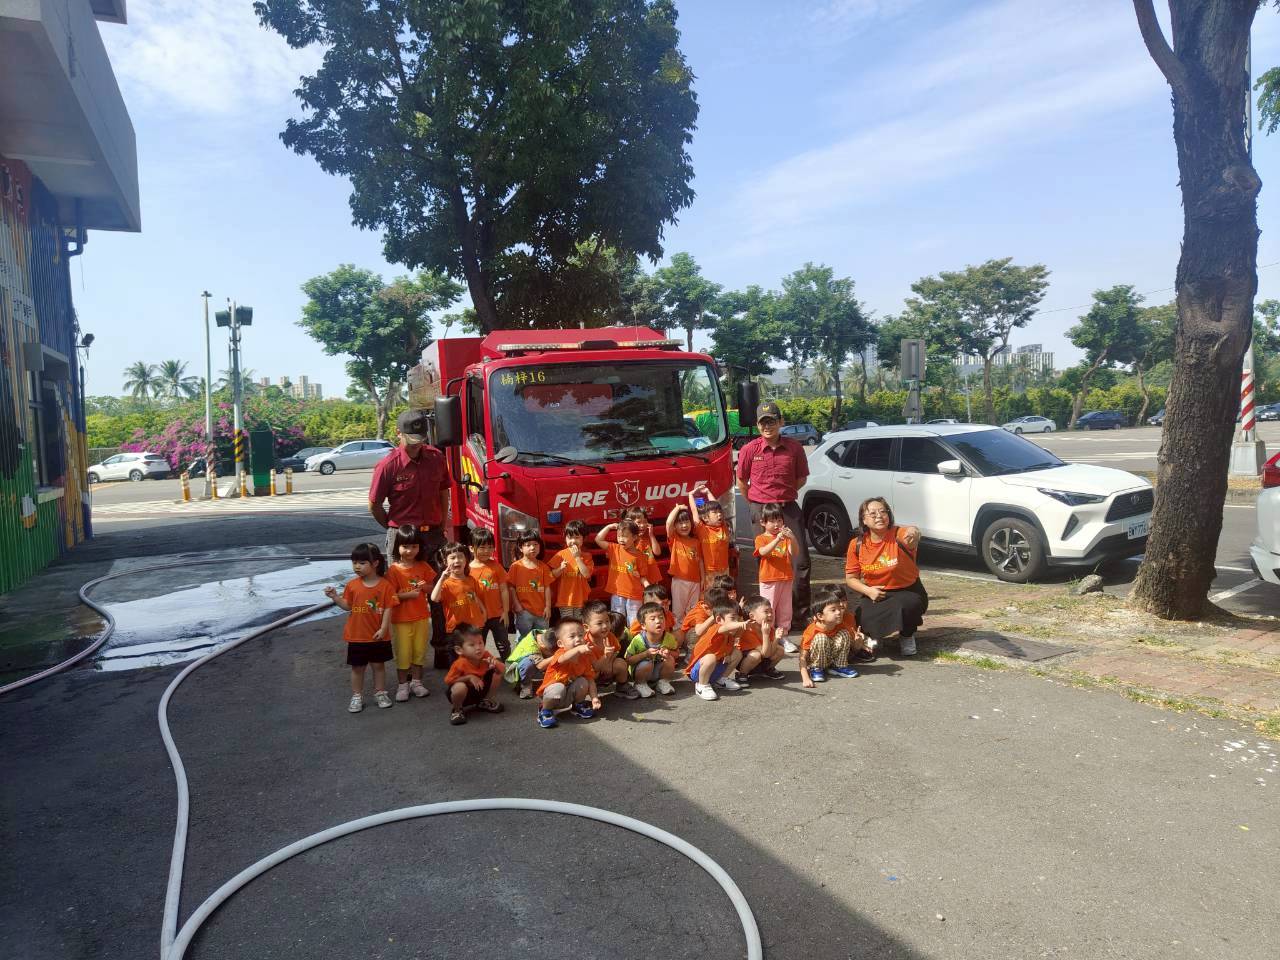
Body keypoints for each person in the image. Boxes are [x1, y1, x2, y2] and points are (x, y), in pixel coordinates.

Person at [369, 409, 451, 664]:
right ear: (398, 434)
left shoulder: (436, 457)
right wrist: (394, 531)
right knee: (401, 596)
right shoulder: (388, 465)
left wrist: (442, 522)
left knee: (439, 592)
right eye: (411, 440)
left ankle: (442, 648)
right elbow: (374, 504)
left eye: (421, 439)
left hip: (433, 535)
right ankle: (404, 656)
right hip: (402, 538)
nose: (417, 445)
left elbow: (443, 492)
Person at [735, 401, 812, 635]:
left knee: (800, 562)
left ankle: (798, 616)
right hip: (762, 509)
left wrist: (783, 498)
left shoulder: (794, 448)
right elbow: (741, 482)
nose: (767, 426)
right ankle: (768, 616)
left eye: (772, 421)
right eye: (763, 422)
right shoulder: (750, 450)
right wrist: (756, 507)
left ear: (781, 422)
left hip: (788, 508)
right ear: (758, 426)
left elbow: (801, 478)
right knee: (766, 562)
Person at [843, 497, 927, 656]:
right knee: (861, 616)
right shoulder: (857, 544)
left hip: (908, 590)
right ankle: (875, 636)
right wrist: (868, 591)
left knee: (907, 606)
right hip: (876, 593)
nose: (879, 516)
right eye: (873, 513)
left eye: (883, 512)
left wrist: (914, 532)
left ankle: (907, 636)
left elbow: (911, 533)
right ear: (864, 520)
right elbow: (851, 578)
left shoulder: (898, 535)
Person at [324, 543, 399, 713]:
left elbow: (389, 607)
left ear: (375, 564)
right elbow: (347, 606)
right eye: (354, 562)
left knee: (378, 666)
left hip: (378, 636)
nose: (357, 566)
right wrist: (335, 597)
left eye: (362, 562)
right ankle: (357, 695)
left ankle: (380, 692)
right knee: (357, 668)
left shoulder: (385, 586)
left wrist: (384, 628)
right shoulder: (352, 585)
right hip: (357, 636)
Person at [384, 524, 436, 701]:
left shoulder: (423, 566)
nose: (410, 550)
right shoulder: (394, 570)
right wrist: (408, 595)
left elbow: (432, 589)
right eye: (405, 546)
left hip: (421, 617)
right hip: (401, 620)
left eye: (414, 546)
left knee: (419, 652)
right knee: (403, 653)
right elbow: (389, 597)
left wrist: (425, 587)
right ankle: (402, 685)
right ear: (397, 546)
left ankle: (417, 682)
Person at [535, 617, 599, 729]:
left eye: (580, 635)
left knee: (583, 681)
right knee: (558, 687)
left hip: (569, 693)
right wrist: (578, 650)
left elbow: (590, 679)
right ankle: (545, 710)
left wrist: (594, 698)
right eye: (572, 636)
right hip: (553, 695)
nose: (578, 639)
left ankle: (578, 705)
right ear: (560, 643)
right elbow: (564, 658)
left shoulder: (584, 657)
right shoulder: (560, 654)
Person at [799, 588, 864, 687]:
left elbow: (855, 648)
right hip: (816, 660)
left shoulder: (840, 624)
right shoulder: (812, 630)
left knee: (844, 633)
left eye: (839, 608)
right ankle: (817, 668)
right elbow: (802, 657)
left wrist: (858, 641)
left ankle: (838, 666)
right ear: (820, 616)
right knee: (821, 638)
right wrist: (805, 678)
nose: (839, 612)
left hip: (831, 658)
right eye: (833, 610)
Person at [685, 598, 747, 702]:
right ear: (718, 620)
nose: (736, 622)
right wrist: (742, 624)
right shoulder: (716, 628)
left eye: (738, 619)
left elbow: (727, 649)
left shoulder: (730, 635)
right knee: (710, 657)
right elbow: (726, 627)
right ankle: (702, 685)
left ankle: (721, 680)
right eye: (732, 618)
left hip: (715, 669)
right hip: (698, 672)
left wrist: (726, 655)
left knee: (737, 653)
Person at [442, 625, 504, 726]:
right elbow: (448, 681)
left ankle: (485, 701)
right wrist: (469, 677)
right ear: (459, 650)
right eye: (472, 645)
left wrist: (496, 664)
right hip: (463, 695)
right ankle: (457, 710)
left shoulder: (485, 655)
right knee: (459, 686)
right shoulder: (460, 663)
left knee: (497, 673)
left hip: (480, 689)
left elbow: (503, 670)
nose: (478, 647)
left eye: (480, 643)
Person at [752, 502, 798, 640]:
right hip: (769, 579)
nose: (777, 524)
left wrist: (793, 538)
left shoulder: (785, 538)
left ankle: (783, 634)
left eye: (779, 520)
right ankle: (768, 635)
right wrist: (777, 539)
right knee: (768, 608)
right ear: (763, 523)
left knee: (785, 609)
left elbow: (794, 553)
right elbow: (763, 552)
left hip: (786, 577)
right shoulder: (761, 538)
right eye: (772, 521)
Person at [582, 599, 639, 699]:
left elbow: (616, 650)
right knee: (590, 675)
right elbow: (593, 667)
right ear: (586, 627)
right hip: (591, 673)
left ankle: (622, 686)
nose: (605, 626)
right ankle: (587, 695)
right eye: (599, 623)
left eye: (607, 621)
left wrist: (609, 661)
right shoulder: (584, 642)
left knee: (621, 663)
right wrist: (605, 658)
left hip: (606, 669)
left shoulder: (610, 636)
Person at [664, 503, 704, 647]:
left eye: (686, 521)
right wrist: (677, 508)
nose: (684, 525)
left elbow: (700, 563)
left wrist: (703, 580)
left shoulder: (695, 542)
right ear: (675, 527)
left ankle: (690, 642)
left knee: (692, 612)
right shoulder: (674, 539)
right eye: (680, 523)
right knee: (678, 613)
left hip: (695, 582)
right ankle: (677, 640)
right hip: (679, 581)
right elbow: (668, 523)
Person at [595, 519, 649, 624]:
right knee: (617, 621)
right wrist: (609, 527)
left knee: (634, 622)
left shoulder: (640, 556)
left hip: (634, 595)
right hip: (617, 593)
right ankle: (619, 639)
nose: (621, 539)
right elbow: (598, 539)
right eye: (619, 536)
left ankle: (634, 639)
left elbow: (642, 577)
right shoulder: (614, 549)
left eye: (624, 536)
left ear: (634, 537)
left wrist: (649, 589)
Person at [468, 528, 511, 659]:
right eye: (482, 547)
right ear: (471, 548)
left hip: (498, 615)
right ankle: (478, 670)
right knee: (478, 645)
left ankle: (508, 669)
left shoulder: (496, 566)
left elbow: (504, 590)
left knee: (503, 644)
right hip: (478, 617)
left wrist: (506, 611)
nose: (487, 551)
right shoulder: (467, 570)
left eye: (490, 547)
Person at [430, 542, 486, 639]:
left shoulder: (471, 580)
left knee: (476, 652)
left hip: (475, 626)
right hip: (456, 630)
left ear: (466, 560)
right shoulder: (445, 583)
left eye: (460, 557)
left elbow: (474, 597)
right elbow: (434, 598)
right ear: (445, 561)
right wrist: (441, 579)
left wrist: (483, 612)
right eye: (452, 558)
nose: (457, 560)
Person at [623, 601, 678, 697]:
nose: (658, 621)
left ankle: (662, 682)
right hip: (641, 671)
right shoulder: (638, 640)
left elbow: (677, 653)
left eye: (661, 617)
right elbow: (628, 660)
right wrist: (645, 654)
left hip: (658, 670)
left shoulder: (669, 637)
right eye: (653, 619)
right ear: (643, 625)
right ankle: (640, 684)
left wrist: (669, 653)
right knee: (646, 662)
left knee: (670, 659)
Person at [508, 532, 553, 638]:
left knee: (542, 639)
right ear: (520, 548)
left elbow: (547, 588)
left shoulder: (543, 567)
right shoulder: (516, 566)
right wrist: (517, 605)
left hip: (541, 612)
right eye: (528, 545)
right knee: (523, 640)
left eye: (536, 544)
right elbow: (511, 587)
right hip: (524, 611)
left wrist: (548, 607)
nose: (533, 547)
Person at [549, 519, 594, 622]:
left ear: (584, 538)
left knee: (580, 624)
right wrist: (560, 569)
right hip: (565, 600)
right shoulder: (560, 555)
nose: (573, 541)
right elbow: (551, 576)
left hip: (581, 599)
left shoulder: (587, 556)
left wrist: (577, 558)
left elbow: (586, 575)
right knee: (568, 625)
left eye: (577, 537)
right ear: (565, 538)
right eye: (570, 537)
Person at [688, 484, 731, 586]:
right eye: (715, 513)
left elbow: (716, 504)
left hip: (724, 570)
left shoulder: (723, 527)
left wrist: (708, 492)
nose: (719, 514)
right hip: (709, 573)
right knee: (711, 598)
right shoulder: (702, 529)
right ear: (705, 518)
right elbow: (694, 511)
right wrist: (691, 495)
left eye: (719, 512)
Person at [737, 594, 787, 683]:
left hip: (762, 658)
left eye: (771, 611)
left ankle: (767, 670)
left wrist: (776, 638)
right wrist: (766, 635)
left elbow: (768, 652)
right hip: (746, 661)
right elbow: (765, 654)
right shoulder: (748, 630)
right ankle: (742, 674)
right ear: (752, 616)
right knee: (755, 655)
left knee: (780, 650)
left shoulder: (768, 628)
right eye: (766, 612)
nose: (770, 614)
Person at [505, 626, 556, 699]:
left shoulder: (546, 634)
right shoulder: (532, 648)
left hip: (540, 656)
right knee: (528, 664)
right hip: (516, 670)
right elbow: (540, 666)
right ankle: (525, 685)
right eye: (551, 651)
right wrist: (555, 656)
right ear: (542, 645)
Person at [626, 506, 664, 585]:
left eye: (645, 521)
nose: (642, 525)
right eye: (639, 522)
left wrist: (651, 535)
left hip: (651, 576)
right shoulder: (629, 540)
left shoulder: (648, 537)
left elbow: (657, 552)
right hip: (638, 578)